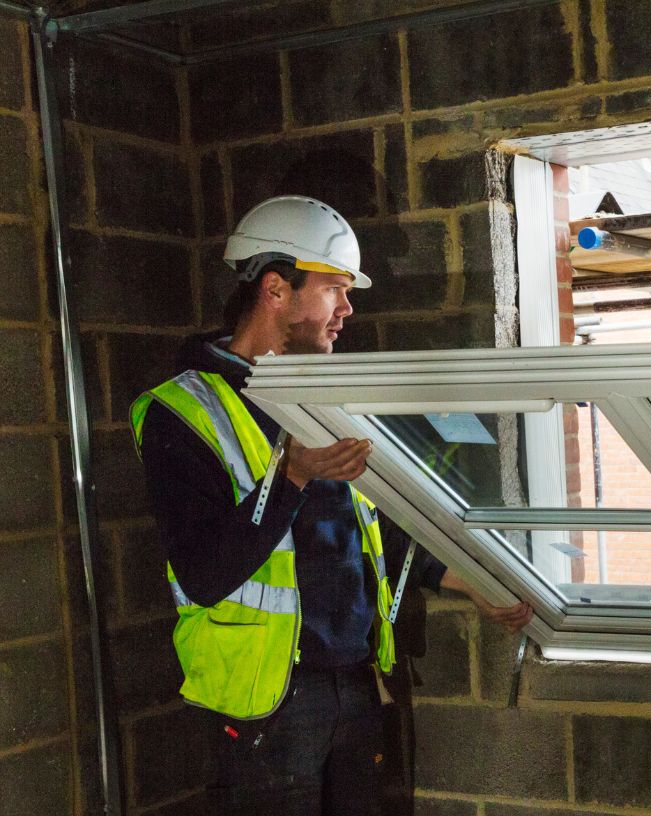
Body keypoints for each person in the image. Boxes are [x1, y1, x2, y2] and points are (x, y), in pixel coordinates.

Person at [129, 195, 532, 815]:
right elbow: (204, 573)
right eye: (335, 289)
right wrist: (290, 476)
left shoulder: (326, 393)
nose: (347, 309)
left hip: (353, 682)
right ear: (275, 289)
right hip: (265, 702)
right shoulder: (181, 412)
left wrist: (468, 581)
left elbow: (370, 531)